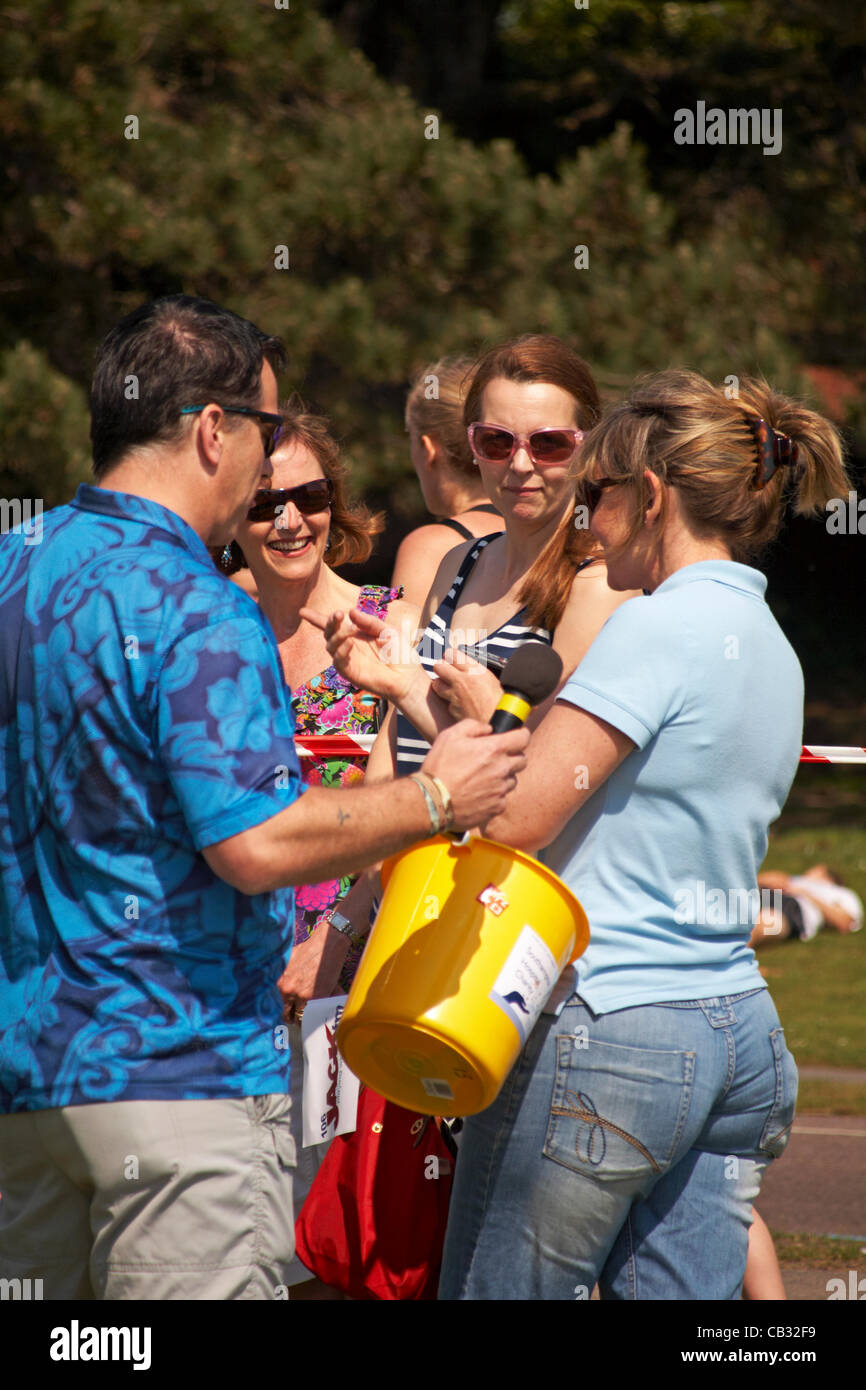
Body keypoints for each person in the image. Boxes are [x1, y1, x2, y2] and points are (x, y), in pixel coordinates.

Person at [0, 294, 529, 1301]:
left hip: (30, 1080)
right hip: (181, 1079)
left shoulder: (14, 568)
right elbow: (253, 843)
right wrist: (435, 795)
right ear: (211, 430)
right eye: (267, 430)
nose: (271, 460)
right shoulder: (196, 602)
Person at [316, 368, 850, 1299]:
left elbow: (516, 816)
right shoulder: (767, 638)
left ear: (650, 497)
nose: (588, 524)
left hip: (613, 1034)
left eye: (598, 494)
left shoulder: (655, 629)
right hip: (735, 1034)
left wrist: (464, 710)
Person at [231, 404, 416, 1298]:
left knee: (336, 1235)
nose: (290, 520)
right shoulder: (201, 629)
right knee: (234, 1224)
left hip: (352, 967)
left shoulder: (388, 625)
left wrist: (335, 934)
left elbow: (420, 807)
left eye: (309, 496)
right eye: (267, 503)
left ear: (336, 504)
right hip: (224, 974)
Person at [310, 335, 641, 808]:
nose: (521, 464)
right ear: (471, 444)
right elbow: (394, 735)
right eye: (496, 442)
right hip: (412, 857)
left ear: (585, 449)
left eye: (549, 444)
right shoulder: (457, 562)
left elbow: (537, 785)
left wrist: (407, 686)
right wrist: (373, 871)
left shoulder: (597, 584)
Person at [391, 357, 504, 606]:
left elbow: (401, 639)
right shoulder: (538, 531)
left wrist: (358, 603)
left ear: (429, 449)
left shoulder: (431, 546)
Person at [750, 864, 863, 947]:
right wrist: (764, 879)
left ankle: (735, 958)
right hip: (763, 893)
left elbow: (845, 923)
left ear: (827, 876)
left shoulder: (841, 893)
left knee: (765, 920)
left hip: (794, 907)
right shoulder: (794, 879)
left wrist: (805, 894)